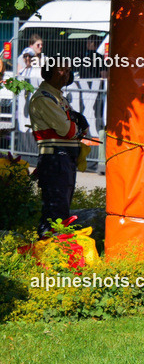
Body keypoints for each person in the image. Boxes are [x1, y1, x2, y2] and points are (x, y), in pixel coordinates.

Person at [29, 62, 88, 237]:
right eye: (61, 70)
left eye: (69, 71)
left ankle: (57, 249)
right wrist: (77, 127)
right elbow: (67, 130)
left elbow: (80, 130)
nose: (66, 74)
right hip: (55, 159)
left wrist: (77, 127)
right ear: (49, 72)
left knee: (62, 209)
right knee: (55, 211)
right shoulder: (44, 99)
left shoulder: (58, 97)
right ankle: (48, 249)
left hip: (65, 159)